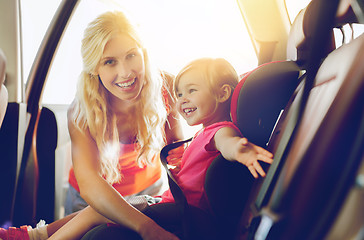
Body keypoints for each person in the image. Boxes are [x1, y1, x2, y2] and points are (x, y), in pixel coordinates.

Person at [0, 10, 183, 240]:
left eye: (131, 55)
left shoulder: (165, 86)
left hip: (149, 189)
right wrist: (148, 227)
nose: (125, 72)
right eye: (109, 62)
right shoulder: (81, 110)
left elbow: (176, 154)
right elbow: (90, 184)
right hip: (91, 200)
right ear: (94, 69)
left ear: (143, 54)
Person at [45, 57, 274, 240]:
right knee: (101, 210)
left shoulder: (219, 130)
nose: (182, 100)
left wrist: (240, 150)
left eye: (192, 91)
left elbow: (228, 142)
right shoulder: (203, 133)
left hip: (179, 211)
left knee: (99, 210)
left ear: (223, 94)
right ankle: (36, 235)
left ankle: (37, 236)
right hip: (169, 204)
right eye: (180, 94)